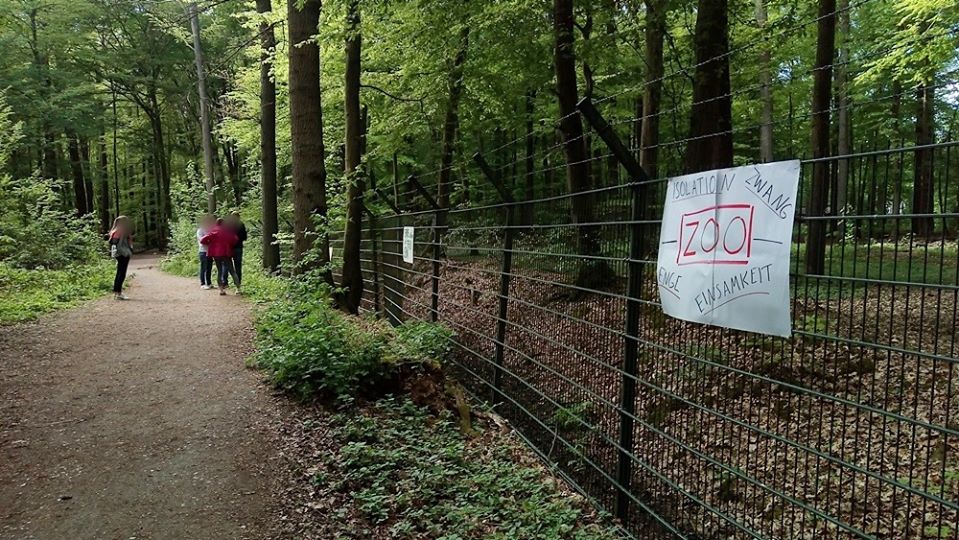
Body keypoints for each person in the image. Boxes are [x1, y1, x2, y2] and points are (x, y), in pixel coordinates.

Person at [201, 218, 241, 296]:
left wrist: (210, 244)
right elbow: (235, 239)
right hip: (226, 253)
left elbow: (203, 240)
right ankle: (238, 289)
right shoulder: (226, 231)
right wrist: (230, 244)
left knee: (219, 271)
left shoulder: (212, 231)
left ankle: (221, 290)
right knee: (232, 271)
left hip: (216, 254)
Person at [107, 216, 134, 300]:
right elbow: (116, 243)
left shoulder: (114, 231)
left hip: (119, 253)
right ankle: (118, 292)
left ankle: (116, 292)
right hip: (123, 253)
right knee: (121, 273)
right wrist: (126, 252)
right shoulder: (121, 231)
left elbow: (113, 243)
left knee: (119, 272)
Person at [227, 212, 247, 287]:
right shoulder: (241, 225)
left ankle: (225, 282)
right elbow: (245, 237)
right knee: (238, 266)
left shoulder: (228, 225)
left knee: (227, 265)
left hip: (229, 248)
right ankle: (238, 283)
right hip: (238, 247)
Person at [197, 214, 215, 290]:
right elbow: (201, 240)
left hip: (210, 251)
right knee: (203, 267)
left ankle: (209, 282)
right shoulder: (200, 230)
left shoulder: (210, 230)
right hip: (203, 251)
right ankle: (203, 283)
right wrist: (209, 240)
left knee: (209, 267)